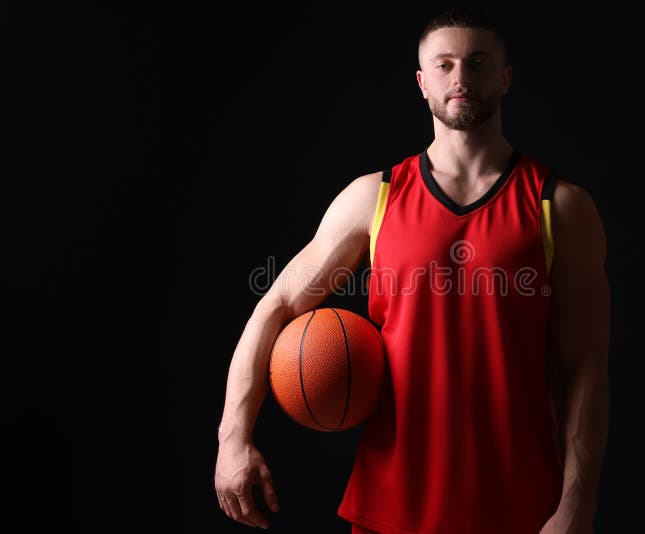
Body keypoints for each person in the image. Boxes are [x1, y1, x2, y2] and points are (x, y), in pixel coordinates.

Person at [215, 8, 609, 534]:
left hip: (522, 509)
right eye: (443, 65)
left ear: (505, 77)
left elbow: (585, 366)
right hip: (390, 507)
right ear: (422, 84)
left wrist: (576, 507)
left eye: (478, 62)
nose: (461, 78)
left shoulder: (558, 206)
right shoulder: (372, 198)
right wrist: (232, 438)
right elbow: (277, 306)